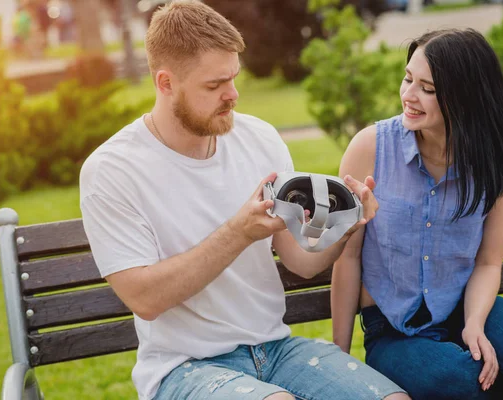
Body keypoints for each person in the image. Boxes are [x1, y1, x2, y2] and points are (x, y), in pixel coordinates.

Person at [79, 2, 410, 400]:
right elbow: (145, 299)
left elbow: (301, 262)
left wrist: (347, 223)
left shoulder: (260, 139)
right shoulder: (113, 170)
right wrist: (238, 233)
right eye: (214, 85)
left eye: (234, 78)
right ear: (165, 83)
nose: (233, 95)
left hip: (277, 349)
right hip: (185, 367)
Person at [331, 28, 503, 399]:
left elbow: (488, 263)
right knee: (464, 386)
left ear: (466, 97)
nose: (408, 96)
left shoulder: (501, 158)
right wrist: (341, 360)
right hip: (393, 329)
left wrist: (475, 323)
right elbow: (347, 256)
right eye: (407, 78)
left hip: (469, 304)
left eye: (427, 89)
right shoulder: (370, 148)